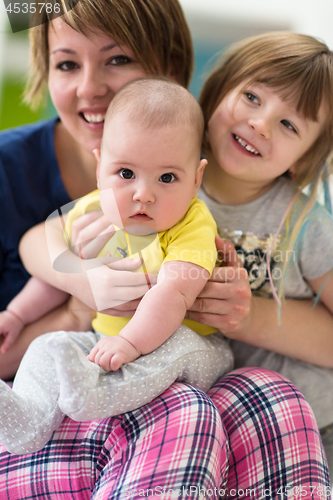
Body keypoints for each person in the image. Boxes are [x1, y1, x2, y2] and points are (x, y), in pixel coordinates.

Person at [0, 0, 329, 496]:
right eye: (66, 63)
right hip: (96, 395)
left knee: (234, 400)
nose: (90, 87)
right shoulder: (112, 186)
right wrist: (71, 291)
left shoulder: (195, 210)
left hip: (203, 385)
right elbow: (45, 239)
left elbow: (178, 292)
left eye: (116, 59)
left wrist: (240, 315)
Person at [0, 77, 234, 454]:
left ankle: (96, 394)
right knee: (47, 347)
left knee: (176, 348)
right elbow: (60, 273)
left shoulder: (192, 224)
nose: (144, 193)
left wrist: (128, 342)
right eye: (126, 174)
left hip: (194, 345)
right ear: (100, 167)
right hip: (107, 342)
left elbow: (173, 293)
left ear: (196, 179)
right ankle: (27, 419)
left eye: (168, 177)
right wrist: (15, 314)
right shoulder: (95, 208)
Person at [196, 31, 333, 475]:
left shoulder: (303, 221)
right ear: (218, 91)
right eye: (252, 96)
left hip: (312, 427)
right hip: (212, 422)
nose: (261, 123)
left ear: (305, 158)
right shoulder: (165, 177)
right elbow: (43, 239)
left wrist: (250, 315)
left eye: (290, 125)